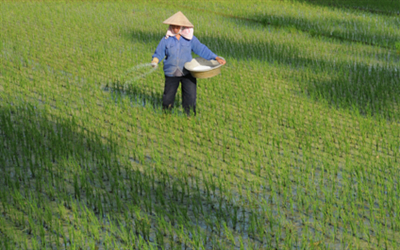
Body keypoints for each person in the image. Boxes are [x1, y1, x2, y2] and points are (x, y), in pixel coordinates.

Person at [151, 11, 226, 116]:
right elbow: (158, 53)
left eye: (178, 26)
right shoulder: (166, 40)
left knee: (190, 98)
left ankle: (190, 117)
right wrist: (155, 61)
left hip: (188, 73)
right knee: (168, 98)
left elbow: (201, 49)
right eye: (173, 26)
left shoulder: (190, 39)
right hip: (171, 74)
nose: (175, 28)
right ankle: (165, 116)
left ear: (182, 26)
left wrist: (216, 57)